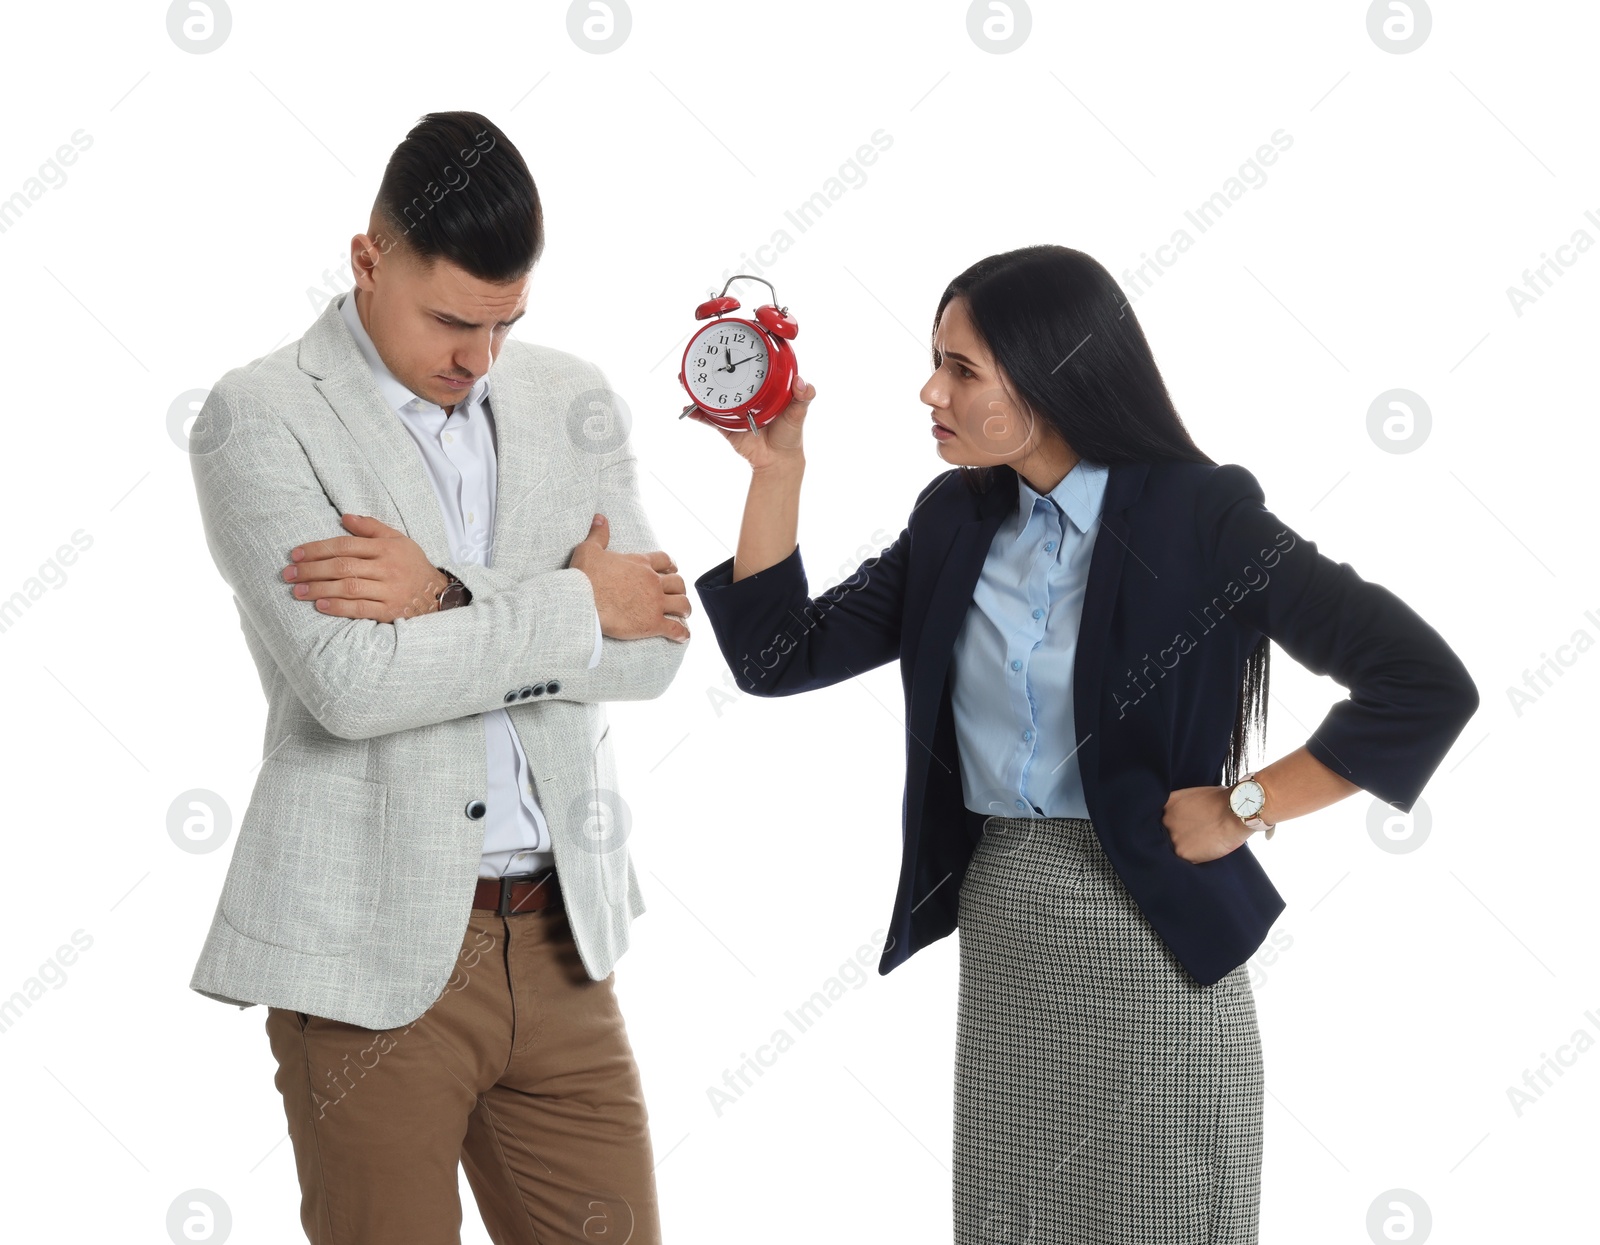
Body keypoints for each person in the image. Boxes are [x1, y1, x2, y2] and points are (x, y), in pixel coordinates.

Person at [690, 244, 1479, 1244]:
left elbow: (1421, 680)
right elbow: (776, 656)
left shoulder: (1201, 518)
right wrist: (777, 471)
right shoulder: (955, 520)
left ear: (1055, 378)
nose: (929, 389)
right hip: (1008, 926)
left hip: (1149, 936)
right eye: (935, 358)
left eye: (962, 369)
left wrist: (1247, 807)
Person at [185, 110, 690, 1245]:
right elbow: (354, 684)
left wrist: (447, 596)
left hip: (564, 943)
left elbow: (651, 648)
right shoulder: (258, 415)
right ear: (367, 261)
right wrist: (572, 604)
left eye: (507, 323)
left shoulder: (569, 394)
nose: (478, 358)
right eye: (452, 320)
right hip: (366, 958)